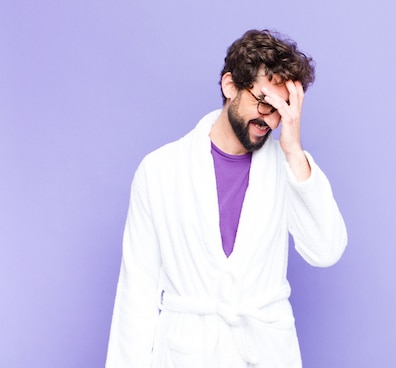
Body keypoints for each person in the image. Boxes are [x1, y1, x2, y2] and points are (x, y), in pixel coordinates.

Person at [105, 29, 348, 367]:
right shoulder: (159, 170)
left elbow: (326, 250)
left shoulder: (289, 168)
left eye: (282, 110)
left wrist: (293, 150)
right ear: (230, 85)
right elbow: (137, 293)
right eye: (264, 102)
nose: (270, 119)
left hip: (265, 353)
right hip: (186, 354)